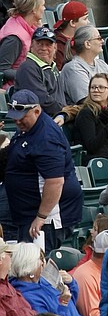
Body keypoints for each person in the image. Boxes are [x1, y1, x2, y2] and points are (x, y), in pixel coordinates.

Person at [4, 89, 83, 250]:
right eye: (15, 118)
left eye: (22, 118)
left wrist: (41, 217)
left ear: (37, 111)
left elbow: (55, 182)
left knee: (36, 264)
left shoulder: (46, 139)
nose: (17, 122)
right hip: (27, 212)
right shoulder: (29, 129)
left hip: (48, 219)